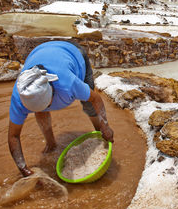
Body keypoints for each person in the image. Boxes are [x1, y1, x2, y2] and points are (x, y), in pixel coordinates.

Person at [8, 40, 114, 177]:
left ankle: (100, 135)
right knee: (40, 110)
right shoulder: (21, 95)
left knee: (88, 104)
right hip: (39, 51)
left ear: (52, 91)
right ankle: (51, 143)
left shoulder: (67, 83)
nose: (46, 108)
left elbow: (96, 99)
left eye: (47, 105)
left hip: (74, 53)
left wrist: (105, 125)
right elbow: (13, 136)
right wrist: (24, 170)